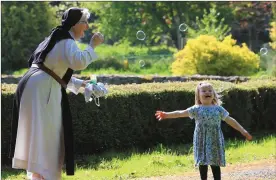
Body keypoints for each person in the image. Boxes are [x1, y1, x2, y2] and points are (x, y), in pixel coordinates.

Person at [10, 7, 105, 180]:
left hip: (33, 86)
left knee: (38, 134)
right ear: (74, 24)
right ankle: (47, 176)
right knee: (49, 135)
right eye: (84, 22)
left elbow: (53, 71)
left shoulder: (55, 37)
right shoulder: (65, 41)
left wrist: (81, 84)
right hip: (41, 89)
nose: (87, 26)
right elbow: (79, 62)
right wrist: (92, 46)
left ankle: (37, 176)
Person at [155, 81, 252, 180]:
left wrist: (242, 130)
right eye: (204, 91)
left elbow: (230, 120)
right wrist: (166, 115)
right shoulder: (196, 109)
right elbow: (180, 113)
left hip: (215, 139)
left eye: (210, 90)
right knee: (202, 162)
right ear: (198, 95)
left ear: (213, 94)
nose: (207, 92)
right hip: (201, 140)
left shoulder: (218, 109)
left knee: (215, 162)